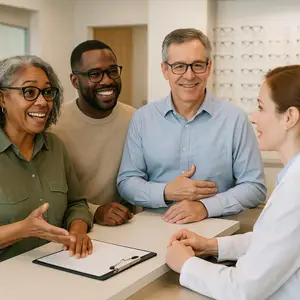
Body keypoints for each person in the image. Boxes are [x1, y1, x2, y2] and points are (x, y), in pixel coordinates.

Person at [166, 65, 300, 299]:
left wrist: (186, 264)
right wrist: (211, 245)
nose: (254, 117)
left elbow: (243, 289)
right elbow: (273, 242)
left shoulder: (295, 190)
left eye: (261, 108)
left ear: (289, 117)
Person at [117, 28, 266, 224]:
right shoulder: (143, 119)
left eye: (197, 65)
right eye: (179, 66)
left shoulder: (234, 119)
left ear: (209, 67)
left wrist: (206, 207)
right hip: (155, 229)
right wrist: (166, 191)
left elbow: (254, 187)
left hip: (218, 233)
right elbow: (127, 182)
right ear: (165, 70)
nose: (189, 76)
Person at [0, 55, 93, 262]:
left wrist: (77, 231)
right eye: (29, 92)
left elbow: (76, 204)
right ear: (2, 98)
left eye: (47, 92)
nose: (42, 102)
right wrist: (24, 229)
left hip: (58, 267)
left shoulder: (55, 147)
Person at [51, 40, 135, 226]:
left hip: (125, 226)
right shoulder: (54, 126)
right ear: (75, 80)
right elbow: (48, 195)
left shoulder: (134, 118)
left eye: (112, 71)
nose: (107, 80)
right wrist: (95, 211)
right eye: (94, 74)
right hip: (73, 228)